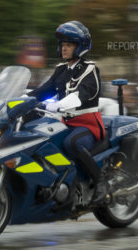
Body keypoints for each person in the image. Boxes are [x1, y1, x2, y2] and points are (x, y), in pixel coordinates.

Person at [28, 21, 107, 203]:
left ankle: (100, 181)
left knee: (72, 143)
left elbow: (83, 94)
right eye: (63, 45)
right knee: (44, 142)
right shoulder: (61, 70)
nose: (64, 48)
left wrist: (58, 105)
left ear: (80, 47)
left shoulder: (90, 70)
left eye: (68, 45)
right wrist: (21, 99)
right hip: (66, 123)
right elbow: (43, 90)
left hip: (88, 124)